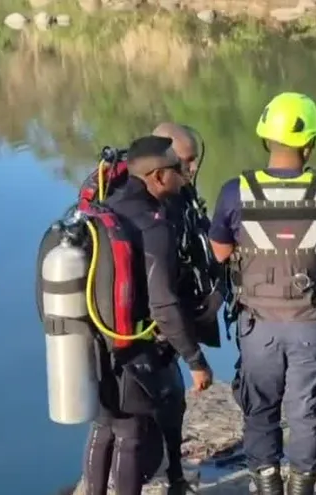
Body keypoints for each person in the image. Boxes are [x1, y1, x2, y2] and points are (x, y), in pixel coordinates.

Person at [208, 92, 316, 495]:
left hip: (257, 324)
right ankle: (301, 486)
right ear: (309, 144)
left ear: (265, 140)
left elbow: (219, 251)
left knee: (260, 409)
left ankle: (268, 484)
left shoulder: (235, 191)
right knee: (306, 412)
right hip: (312, 320)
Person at [81, 135, 214, 495]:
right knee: (131, 435)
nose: (185, 174)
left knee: (106, 424)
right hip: (132, 346)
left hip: (96, 340)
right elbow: (164, 305)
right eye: (177, 168)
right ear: (157, 176)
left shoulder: (109, 204)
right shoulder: (153, 225)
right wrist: (196, 360)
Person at [150, 122, 222, 494]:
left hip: (173, 317)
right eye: (185, 162)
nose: (191, 170)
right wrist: (195, 358)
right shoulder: (149, 208)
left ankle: (175, 475)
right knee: (136, 416)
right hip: (150, 325)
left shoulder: (180, 193)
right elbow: (157, 289)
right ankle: (167, 476)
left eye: (194, 161)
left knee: (171, 403)